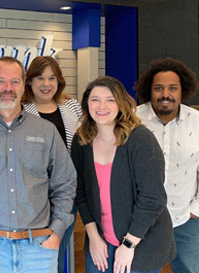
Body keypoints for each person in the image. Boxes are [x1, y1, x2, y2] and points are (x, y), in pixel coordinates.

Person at [0, 56, 77, 273]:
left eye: (15, 82)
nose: (8, 88)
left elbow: (65, 184)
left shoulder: (46, 131)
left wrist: (55, 233)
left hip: (38, 250)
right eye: (0, 81)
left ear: (23, 85)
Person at [72, 76, 175, 273]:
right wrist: (93, 237)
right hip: (101, 239)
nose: (102, 106)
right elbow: (80, 191)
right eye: (95, 99)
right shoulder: (82, 140)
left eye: (110, 99)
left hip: (141, 240)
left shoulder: (140, 140)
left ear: (121, 103)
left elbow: (153, 198)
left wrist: (128, 245)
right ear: (87, 104)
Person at [135, 57, 199, 273]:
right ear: (148, 90)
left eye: (173, 88)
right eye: (158, 88)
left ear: (183, 90)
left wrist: (196, 209)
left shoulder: (197, 122)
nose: (165, 95)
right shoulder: (133, 120)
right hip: (142, 221)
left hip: (186, 220)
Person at [23, 56, 81, 273]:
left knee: (57, 249)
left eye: (51, 78)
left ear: (59, 81)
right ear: (29, 81)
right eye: (40, 78)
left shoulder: (72, 107)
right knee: (33, 254)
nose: (46, 84)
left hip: (66, 195)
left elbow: (83, 143)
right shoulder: (21, 109)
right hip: (32, 198)